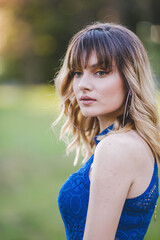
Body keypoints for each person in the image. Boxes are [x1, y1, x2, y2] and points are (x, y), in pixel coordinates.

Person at [53, 22, 160, 240]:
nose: (83, 84)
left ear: (131, 79)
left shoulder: (116, 149)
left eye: (100, 72)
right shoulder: (132, 141)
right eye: (77, 72)